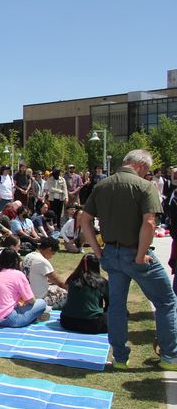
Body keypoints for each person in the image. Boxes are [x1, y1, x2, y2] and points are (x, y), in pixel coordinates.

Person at [79, 149, 177, 370]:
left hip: (111, 253)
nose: (148, 174)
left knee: (116, 306)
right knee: (167, 301)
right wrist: (141, 255)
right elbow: (150, 223)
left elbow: (84, 221)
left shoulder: (102, 186)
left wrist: (98, 251)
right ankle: (170, 356)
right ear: (141, 165)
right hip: (135, 253)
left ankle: (120, 357)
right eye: (148, 170)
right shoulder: (145, 186)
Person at [0, 249, 48, 327]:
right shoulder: (18, 275)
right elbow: (31, 301)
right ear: (16, 260)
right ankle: (34, 317)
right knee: (41, 303)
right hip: (6, 319)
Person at [60, 254, 109, 334]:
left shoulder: (72, 279)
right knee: (122, 313)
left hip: (67, 322)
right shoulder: (101, 282)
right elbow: (110, 303)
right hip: (92, 324)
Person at [23, 237, 66, 309]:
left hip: (27, 295)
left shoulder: (28, 256)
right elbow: (60, 282)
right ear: (49, 249)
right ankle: (47, 309)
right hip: (39, 298)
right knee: (66, 294)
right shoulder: (42, 261)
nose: (51, 257)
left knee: (56, 288)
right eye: (52, 254)